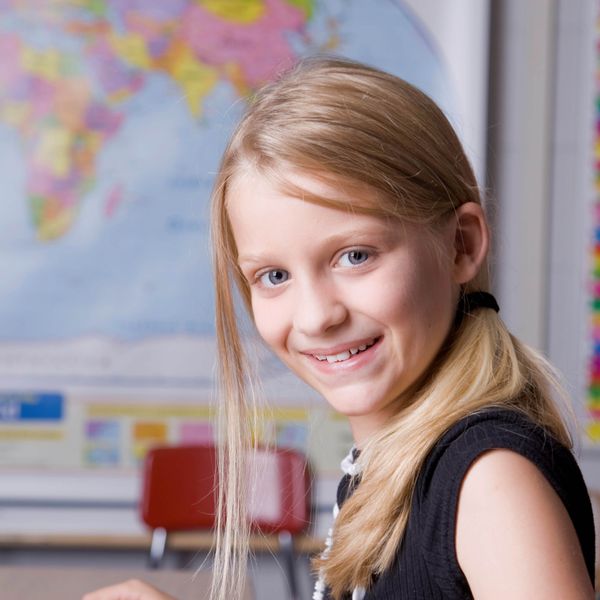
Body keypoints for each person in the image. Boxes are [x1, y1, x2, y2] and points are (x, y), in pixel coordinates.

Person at [83, 57, 596, 600]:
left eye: (355, 255)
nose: (315, 317)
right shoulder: (390, 464)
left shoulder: (489, 479)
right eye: (273, 275)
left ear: (460, 245)